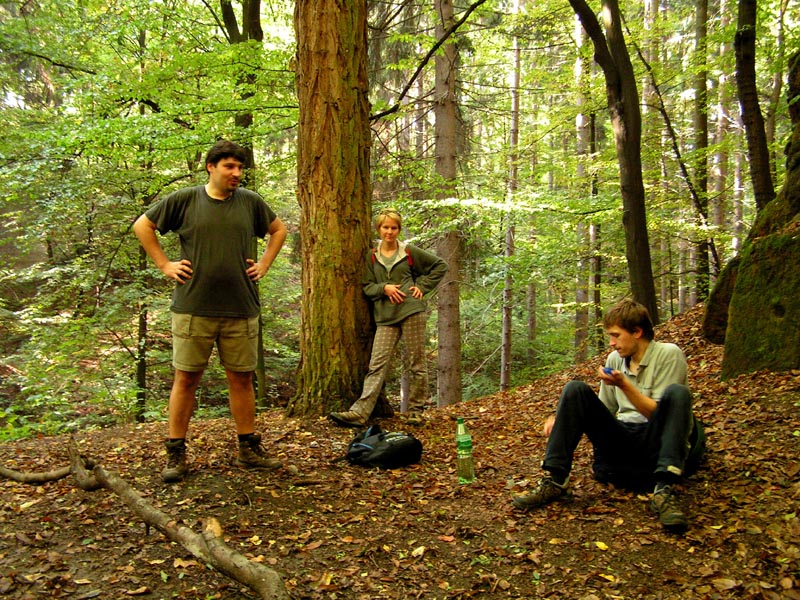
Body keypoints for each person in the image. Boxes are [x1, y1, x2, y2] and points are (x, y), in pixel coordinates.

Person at [133, 140, 288, 483]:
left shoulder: (250, 203)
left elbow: (279, 230)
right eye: (230, 167)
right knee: (186, 378)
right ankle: (176, 452)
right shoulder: (186, 199)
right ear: (211, 167)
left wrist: (264, 263)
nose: (237, 173)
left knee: (242, 378)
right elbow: (142, 226)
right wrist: (165, 264)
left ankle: (248, 448)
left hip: (241, 306)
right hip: (193, 306)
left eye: (240, 168)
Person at [512, 299, 706, 532]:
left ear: (637, 332)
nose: (612, 343)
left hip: (656, 441)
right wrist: (563, 417)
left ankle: (664, 490)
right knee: (574, 389)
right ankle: (555, 479)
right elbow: (604, 409)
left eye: (616, 335)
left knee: (678, 393)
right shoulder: (615, 360)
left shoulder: (668, 354)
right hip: (622, 440)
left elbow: (662, 414)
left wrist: (624, 385)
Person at [329, 208, 447, 428]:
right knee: (377, 365)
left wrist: (422, 287)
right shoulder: (372, 256)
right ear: (379, 229)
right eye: (385, 227)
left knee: (416, 363)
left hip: (411, 310)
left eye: (394, 228)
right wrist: (384, 288)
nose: (389, 232)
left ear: (399, 230)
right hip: (385, 317)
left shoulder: (409, 252)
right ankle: (360, 413)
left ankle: (416, 411)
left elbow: (440, 266)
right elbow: (367, 286)